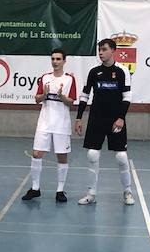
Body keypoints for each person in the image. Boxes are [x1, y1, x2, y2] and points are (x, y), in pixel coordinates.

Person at [75, 37, 134, 205]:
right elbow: (85, 95)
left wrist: (121, 118)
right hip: (96, 118)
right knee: (92, 154)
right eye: (99, 50)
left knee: (121, 157)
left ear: (113, 51)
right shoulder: (94, 72)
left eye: (104, 49)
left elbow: (127, 97)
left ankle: (127, 191)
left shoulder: (122, 71)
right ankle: (91, 193)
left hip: (116, 120)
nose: (101, 53)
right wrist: (79, 117)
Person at [23, 49, 78, 203]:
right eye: (53, 59)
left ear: (64, 61)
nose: (55, 62)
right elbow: (37, 99)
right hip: (44, 122)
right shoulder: (45, 78)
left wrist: (61, 96)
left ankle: (60, 191)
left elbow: (71, 102)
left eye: (58, 59)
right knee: (36, 154)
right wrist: (44, 95)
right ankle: (35, 188)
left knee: (62, 156)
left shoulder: (69, 80)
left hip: (61, 123)